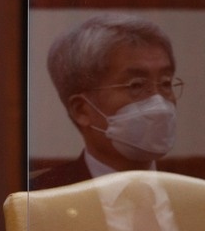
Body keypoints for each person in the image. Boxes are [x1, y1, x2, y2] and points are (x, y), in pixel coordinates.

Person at [29, 13, 183, 190]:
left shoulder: (199, 194)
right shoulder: (39, 198)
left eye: (165, 83)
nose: (159, 102)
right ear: (81, 110)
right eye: (136, 85)